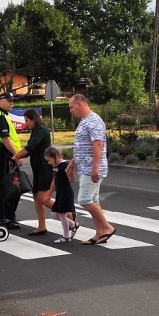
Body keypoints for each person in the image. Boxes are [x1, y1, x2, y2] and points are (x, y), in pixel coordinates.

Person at [66, 94, 116, 245]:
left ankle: (107, 227)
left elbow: (98, 144)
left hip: (91, 168)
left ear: (80, 104)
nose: (70, 110)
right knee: (93, 200)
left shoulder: (94, 120)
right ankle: (100, 233)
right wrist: (73, 162)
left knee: (84, 200)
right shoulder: (85, 121)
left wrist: (95, 168)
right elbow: (83, 145)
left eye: (71, 107)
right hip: (85, 166)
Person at [12, 108, 53, 236]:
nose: (26, 123)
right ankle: (42, 226)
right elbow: (30, 151)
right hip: (37, 169)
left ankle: (67, 212)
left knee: (43, 198)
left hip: (45, 168)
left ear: (34, 119)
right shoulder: (35, 130)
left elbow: (30, 147)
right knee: (36, 197)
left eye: (27, 120)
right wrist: (18, 157)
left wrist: (16, 156)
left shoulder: (42, 130)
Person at [0, 92, 23, 230]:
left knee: (14, 187)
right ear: (1, 100)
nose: (12, 103)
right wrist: (16, 156)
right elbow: (5, 139)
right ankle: (4, 219)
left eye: (13, 101)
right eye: (9, 100)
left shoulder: (2, 116)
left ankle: (8, 216)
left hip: (7, 155)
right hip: (4, 154)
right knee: (8, 187)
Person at [43, 146, 78, 243]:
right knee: (54, 214)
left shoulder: (64, 165)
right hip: (60, 193)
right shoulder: (56, 167)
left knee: (62, 214)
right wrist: (49, 194)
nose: (48, 163)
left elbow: (72, 180)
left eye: (49, 160)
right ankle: (73, 225)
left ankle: (66, 236)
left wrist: (70, 174)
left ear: (55, 156)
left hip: (66, 193)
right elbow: (54, 180)